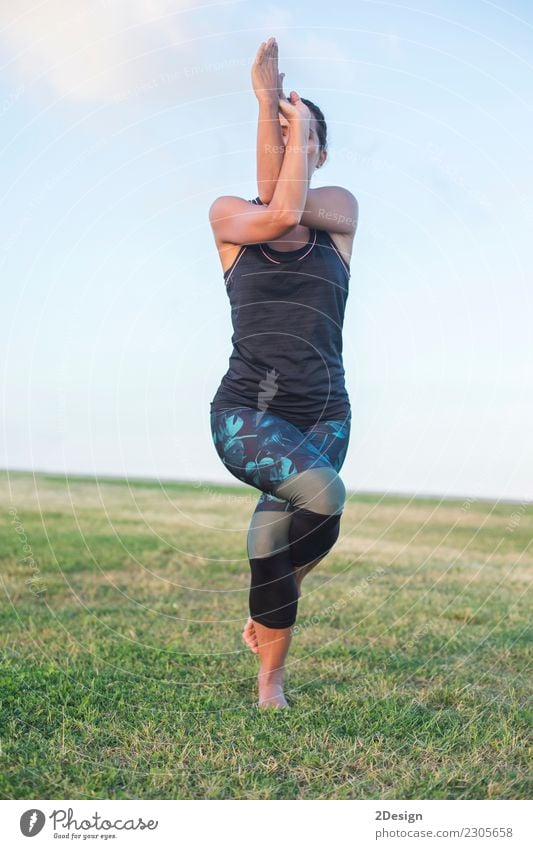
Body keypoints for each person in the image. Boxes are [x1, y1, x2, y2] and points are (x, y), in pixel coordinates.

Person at [209, 37, 359, 708]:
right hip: (248, 412)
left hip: (326, 413)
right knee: (323, 497)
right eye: (276, 137)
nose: (287, 143)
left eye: (300, 139)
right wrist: (268, 105)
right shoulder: (229, 216)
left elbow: (297, 208)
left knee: (271, 541)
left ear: (319, 154)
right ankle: (269, 601)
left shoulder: (339, 212)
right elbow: (277, 212)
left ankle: (269, 679)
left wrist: (284, 121)